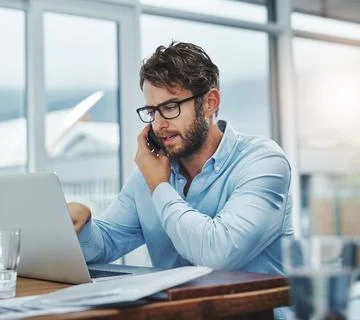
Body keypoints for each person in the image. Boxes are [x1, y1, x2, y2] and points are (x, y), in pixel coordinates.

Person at [68, 41, 293, 275]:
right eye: (152, 111)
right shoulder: (150, 174)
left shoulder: (263, 162)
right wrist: (82, 226)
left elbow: (218, 253)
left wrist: (159, 186)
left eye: (170, 107)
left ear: (210, 102)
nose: (158, 124)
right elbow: (106, 243)